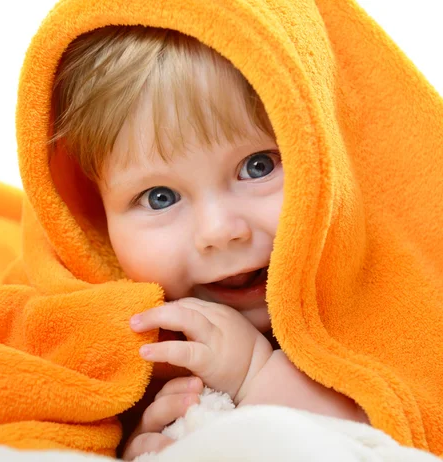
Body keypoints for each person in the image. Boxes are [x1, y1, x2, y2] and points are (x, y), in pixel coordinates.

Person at [50, 26, 368, 460]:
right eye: (159, 197)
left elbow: (397, 435)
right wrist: (147, 442)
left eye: (257, 166)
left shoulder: (398, 299)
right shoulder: (122, 354)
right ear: (93, 225)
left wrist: (255, 376)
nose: (219, 231)